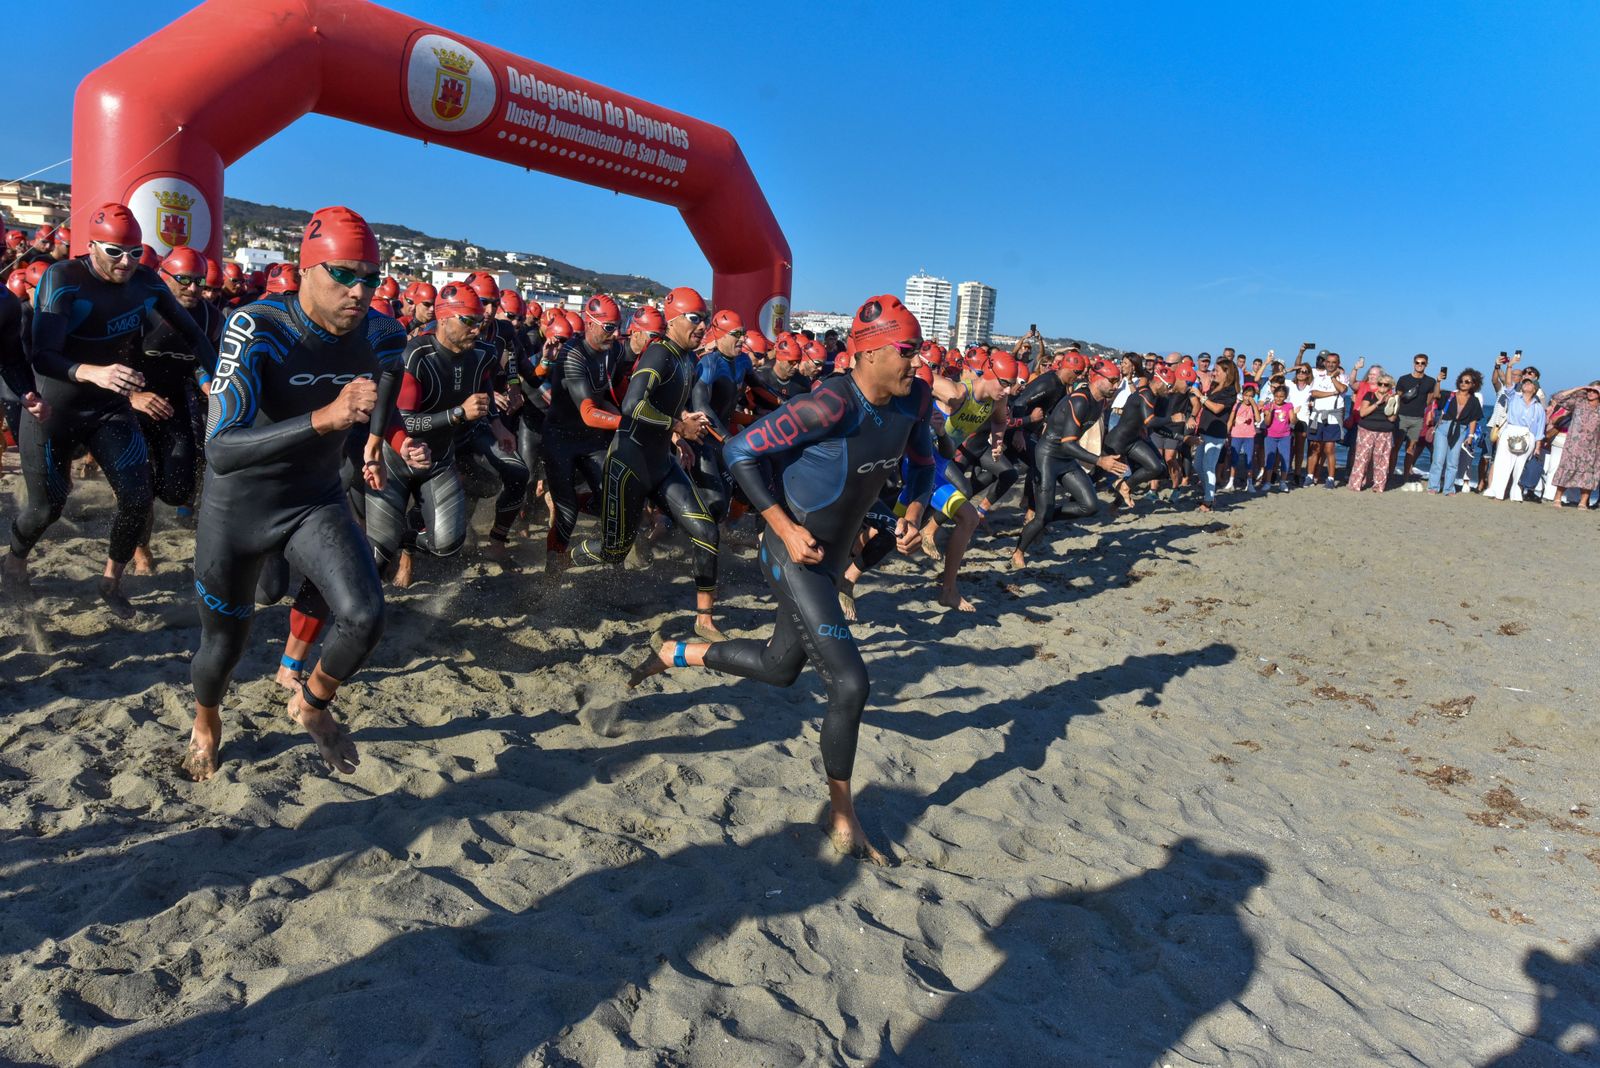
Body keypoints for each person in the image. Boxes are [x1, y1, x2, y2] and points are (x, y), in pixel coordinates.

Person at [627, 294, 935, 864]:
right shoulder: (827, 406)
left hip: (831, 550)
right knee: (850, 683)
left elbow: (925, 464)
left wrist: (914, 514)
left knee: (779, 667)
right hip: (791, 553)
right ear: (868, 354)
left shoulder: (912, 399)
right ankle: (844, 821)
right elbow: (740, 450)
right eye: (907, 351)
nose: (917, 364)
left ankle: (676, 652)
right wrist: (785, 528)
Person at [187, 206, 423, 781]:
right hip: (238, 508)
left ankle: (311, 705)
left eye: (370, 277)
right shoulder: (258, 326)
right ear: (307, 268)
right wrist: (328, 417)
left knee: (365, 616)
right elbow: (222, 449)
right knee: (224, 648)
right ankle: (205, 717)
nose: (360, 290)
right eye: (344, 274)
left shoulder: (384, 331)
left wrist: (372, 438)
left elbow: (388, 376)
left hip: (313, 499)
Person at [4, 204, 215, 617]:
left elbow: (194, 334)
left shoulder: (146, 283)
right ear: (92, 246)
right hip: (54, 407)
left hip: (106, 408)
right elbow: (43, 357)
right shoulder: (63, 278)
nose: (127, 262)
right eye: (116, 252)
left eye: (135, 253)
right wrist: (92, 372)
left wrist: (218, 378)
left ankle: (110, 582)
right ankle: (14, 562)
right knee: (47, 507)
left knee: (137, 498)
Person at [569, 286, 722, 639]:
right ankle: (564, 558)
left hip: (661, 461)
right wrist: (676, 425)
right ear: (674, 320)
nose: (702, 327)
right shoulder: (659, 354)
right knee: (613, 551)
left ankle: (705, 619)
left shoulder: (688, 359)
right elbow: (632, 406)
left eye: (706, 320)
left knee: (706, 531)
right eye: (696, 319)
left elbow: (665, 402)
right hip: (629, 462)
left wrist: (686, 416)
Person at [365, 282, 502, 577]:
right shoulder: (415, 355)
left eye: (480, 322)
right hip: (396, 460)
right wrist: (458, 414)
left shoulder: (481, 355)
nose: (477, 329)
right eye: (469, 321)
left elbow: (486, 382)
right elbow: (403, 420)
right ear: (443, 318)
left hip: (438, 460)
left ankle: (405, 541)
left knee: (448, 544)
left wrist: (498, 420)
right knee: (377, 555)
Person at [127, 246, 225, 571]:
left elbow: (205, 360)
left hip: (173, 403)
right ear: (162, 276)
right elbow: (105, 363)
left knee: (177, 488)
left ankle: (142, 501)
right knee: (138, 488)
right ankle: (141, 550)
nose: (194, 288)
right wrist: (132, 397)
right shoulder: (139, 310)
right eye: (184, 280)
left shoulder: (210, 316)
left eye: (199, 281)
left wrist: (209, 382)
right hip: (128, 402)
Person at [1011, 358, 1127, 566]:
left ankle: (1042, 519)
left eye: (1117, 380)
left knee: (1090, 506)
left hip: (1065, 458)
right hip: (1048, 456)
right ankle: (1018, 551)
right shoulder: (1080, 400)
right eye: (1112, 380)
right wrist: (1100, 461)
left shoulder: (1100, 401)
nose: (1116, 385)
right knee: (1044, 513)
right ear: (1097, 379)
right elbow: (1067, 444)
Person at [1485, 368, 1546, 500]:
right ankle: (1497, 492)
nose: (1527, 384)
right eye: (1525, 383)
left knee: (1521, 465)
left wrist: (1537, 447)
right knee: (1502, 463)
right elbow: (1507, 383)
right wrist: (1509, 366)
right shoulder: (1514, 397)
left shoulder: (1538, 406)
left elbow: (1540, 429)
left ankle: (1516, 494)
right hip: (1511, 431)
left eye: (1530, 383)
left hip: (1528, 435)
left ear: (1535, 389)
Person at [1191, 358, 1239, 511]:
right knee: (1197, 465)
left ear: (1227, 373)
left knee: (1208, 467)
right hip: (1205, 430)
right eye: (1214, 370)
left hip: (1216, 434)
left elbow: (1217, 409)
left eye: (1217, 370)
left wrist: (1200, 395)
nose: (1213, 373)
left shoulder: (1230, 391)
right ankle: (1209, 494)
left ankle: (1208, 501)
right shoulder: (1214, 386)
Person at [1426, 370, 1483, 495]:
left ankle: (1448, 488)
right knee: (1438, 459)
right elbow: (1436, 396)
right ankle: (1433, 487)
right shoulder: (1450, 395)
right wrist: (1438, 381)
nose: (1463, 383)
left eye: (1467, 381)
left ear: (1473, 384)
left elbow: (1474, 419)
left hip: (1461, 430)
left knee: (1453, 461)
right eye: (1461, 381)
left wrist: (1471, 435)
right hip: (1443, 428)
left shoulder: (1474, 401)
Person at [1547, 382, 1600, 508]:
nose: (1591, 393)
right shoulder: (1579, 402)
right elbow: (1557, 397)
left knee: (1589, 474)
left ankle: (1582, 502)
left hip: (1593, 447)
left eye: (1594, 391)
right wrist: (1578, 388)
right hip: (1573, 445)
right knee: (1566, 470)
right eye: (1589, 390)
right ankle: (1557, 498)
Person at [1346, 373, 1399, 492]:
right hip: (1366, 430)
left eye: (1386, 385)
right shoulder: (1369, 395)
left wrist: (1392, 405)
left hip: (1385, 431)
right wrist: (1377, 403)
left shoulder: (1393, 400)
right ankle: (1355, 484)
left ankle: (1378, 486)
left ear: (1390, 387)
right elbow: (1362, 413)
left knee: (1382, 460)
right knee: (1362, 458)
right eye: (1380, 384)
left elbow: (1392, 419)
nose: (1383, 387)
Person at [1393, 353, 1438, 481]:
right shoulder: (1403, 379)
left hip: (1417, 419)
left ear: (1426, 364)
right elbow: (1397, 398)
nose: (1419, 365)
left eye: (1422, 363)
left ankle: (1406, 476)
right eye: (1417, 362)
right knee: (1395, 446)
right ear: (1413, 363)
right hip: (1401, 416)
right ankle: (1390, 474)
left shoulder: (1430, 381)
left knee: (1411, 448)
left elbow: (1429, 401)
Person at [1306, 353, 1347, 487]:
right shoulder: (1318, 376)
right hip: (1317, 416)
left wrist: (1334, 379)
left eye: (1333, 362)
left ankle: (1330, 478)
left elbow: (1342, 389)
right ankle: (1310, 476)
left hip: (1333, 417)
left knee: (1329, 449)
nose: (1330, 364)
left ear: (1338, 363)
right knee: (1315, 448)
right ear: (1325, 363)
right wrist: (1332, 393)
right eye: (1328, 362)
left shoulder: (1342, 377)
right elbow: (1314, 393)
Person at [1223, 382, 1262, 493]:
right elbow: (1230, 420)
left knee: (1249, 459)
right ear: (1242, 394)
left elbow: (1258, 419)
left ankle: (1249, 483)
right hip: (1236, 434)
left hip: (1249, 435)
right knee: (1234, 458)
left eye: (1250, 396)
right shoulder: (1237, 405)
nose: (1247, 398)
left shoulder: (1254, 406)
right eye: (1246, 395)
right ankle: (1231, 481)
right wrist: (1227, 433)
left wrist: (1254, 405)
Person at [1260, 382, 1295, 491]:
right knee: (1269, 459)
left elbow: (1292, 420)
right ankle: (1268, 482)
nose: (1279, 399)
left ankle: (1283, 482)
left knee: (1285, 459)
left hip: (1285, 436)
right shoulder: (1269, 406)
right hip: (1270, 436)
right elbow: (1266, 423)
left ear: (1285, 397)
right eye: (1276, 396)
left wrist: (1294, 416)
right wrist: (1270, 412)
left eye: (1281, 397)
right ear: (1273, 395)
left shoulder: (1288, 405)